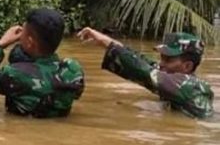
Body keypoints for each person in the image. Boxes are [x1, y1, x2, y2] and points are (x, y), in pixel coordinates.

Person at [0, 8, 84, 117]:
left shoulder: (16, 74)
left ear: (30, 42)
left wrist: (0, 45)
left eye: (23, 33)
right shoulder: (73, 69)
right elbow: (76, 94)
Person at [77, 27, 214, 119]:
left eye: (167, 59)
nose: (161, 63)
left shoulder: (188, 86)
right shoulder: (174, 78)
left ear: (187, 66)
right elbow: (139, 59)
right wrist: (103, 40)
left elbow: (143, 70)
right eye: (161, 58)